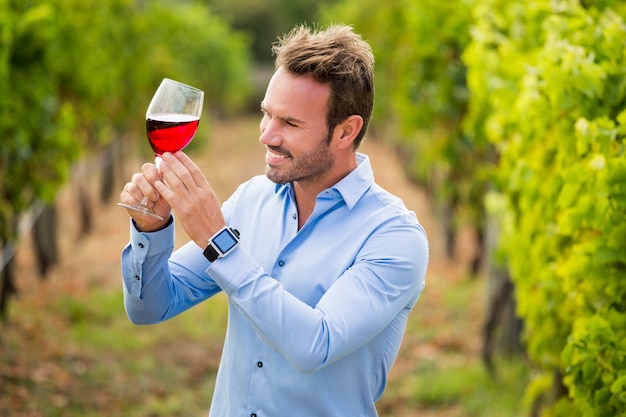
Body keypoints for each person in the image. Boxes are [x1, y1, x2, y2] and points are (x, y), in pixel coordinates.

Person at [120, 24, 428, 417]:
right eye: (267, 115)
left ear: (346, 131)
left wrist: (218, 242)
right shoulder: (253, 200)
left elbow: (316, 344)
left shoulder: (394, 237)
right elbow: (151, 308)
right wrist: (151, 231)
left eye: (290, 123)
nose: (266, 135)